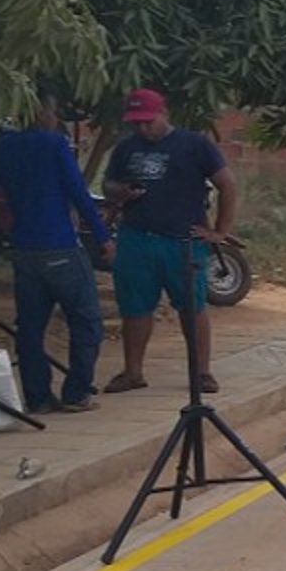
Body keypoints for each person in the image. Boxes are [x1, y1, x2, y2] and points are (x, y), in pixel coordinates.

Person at [0, 93, 111, 413]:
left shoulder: (2, 149)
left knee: (30, 328)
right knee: (86, 322)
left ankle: (38, 396)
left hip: (24, 250)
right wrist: (103, 237)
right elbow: (78, 193)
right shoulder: (54, 144)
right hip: (60, 245)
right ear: (45, 114)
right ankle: (76, 393)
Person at [101, 88, 238, 396]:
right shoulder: (126, 148)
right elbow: (108, 184)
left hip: (181, 240)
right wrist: (120, 192)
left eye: (148, 121)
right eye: (136, 123)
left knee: (192, 306)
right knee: (135, 307)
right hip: (137, 237)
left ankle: (202, 372)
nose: (142, 128)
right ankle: (133, 372)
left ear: (164, 113)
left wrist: (219, 231)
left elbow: (227, 184)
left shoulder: (194, 144)